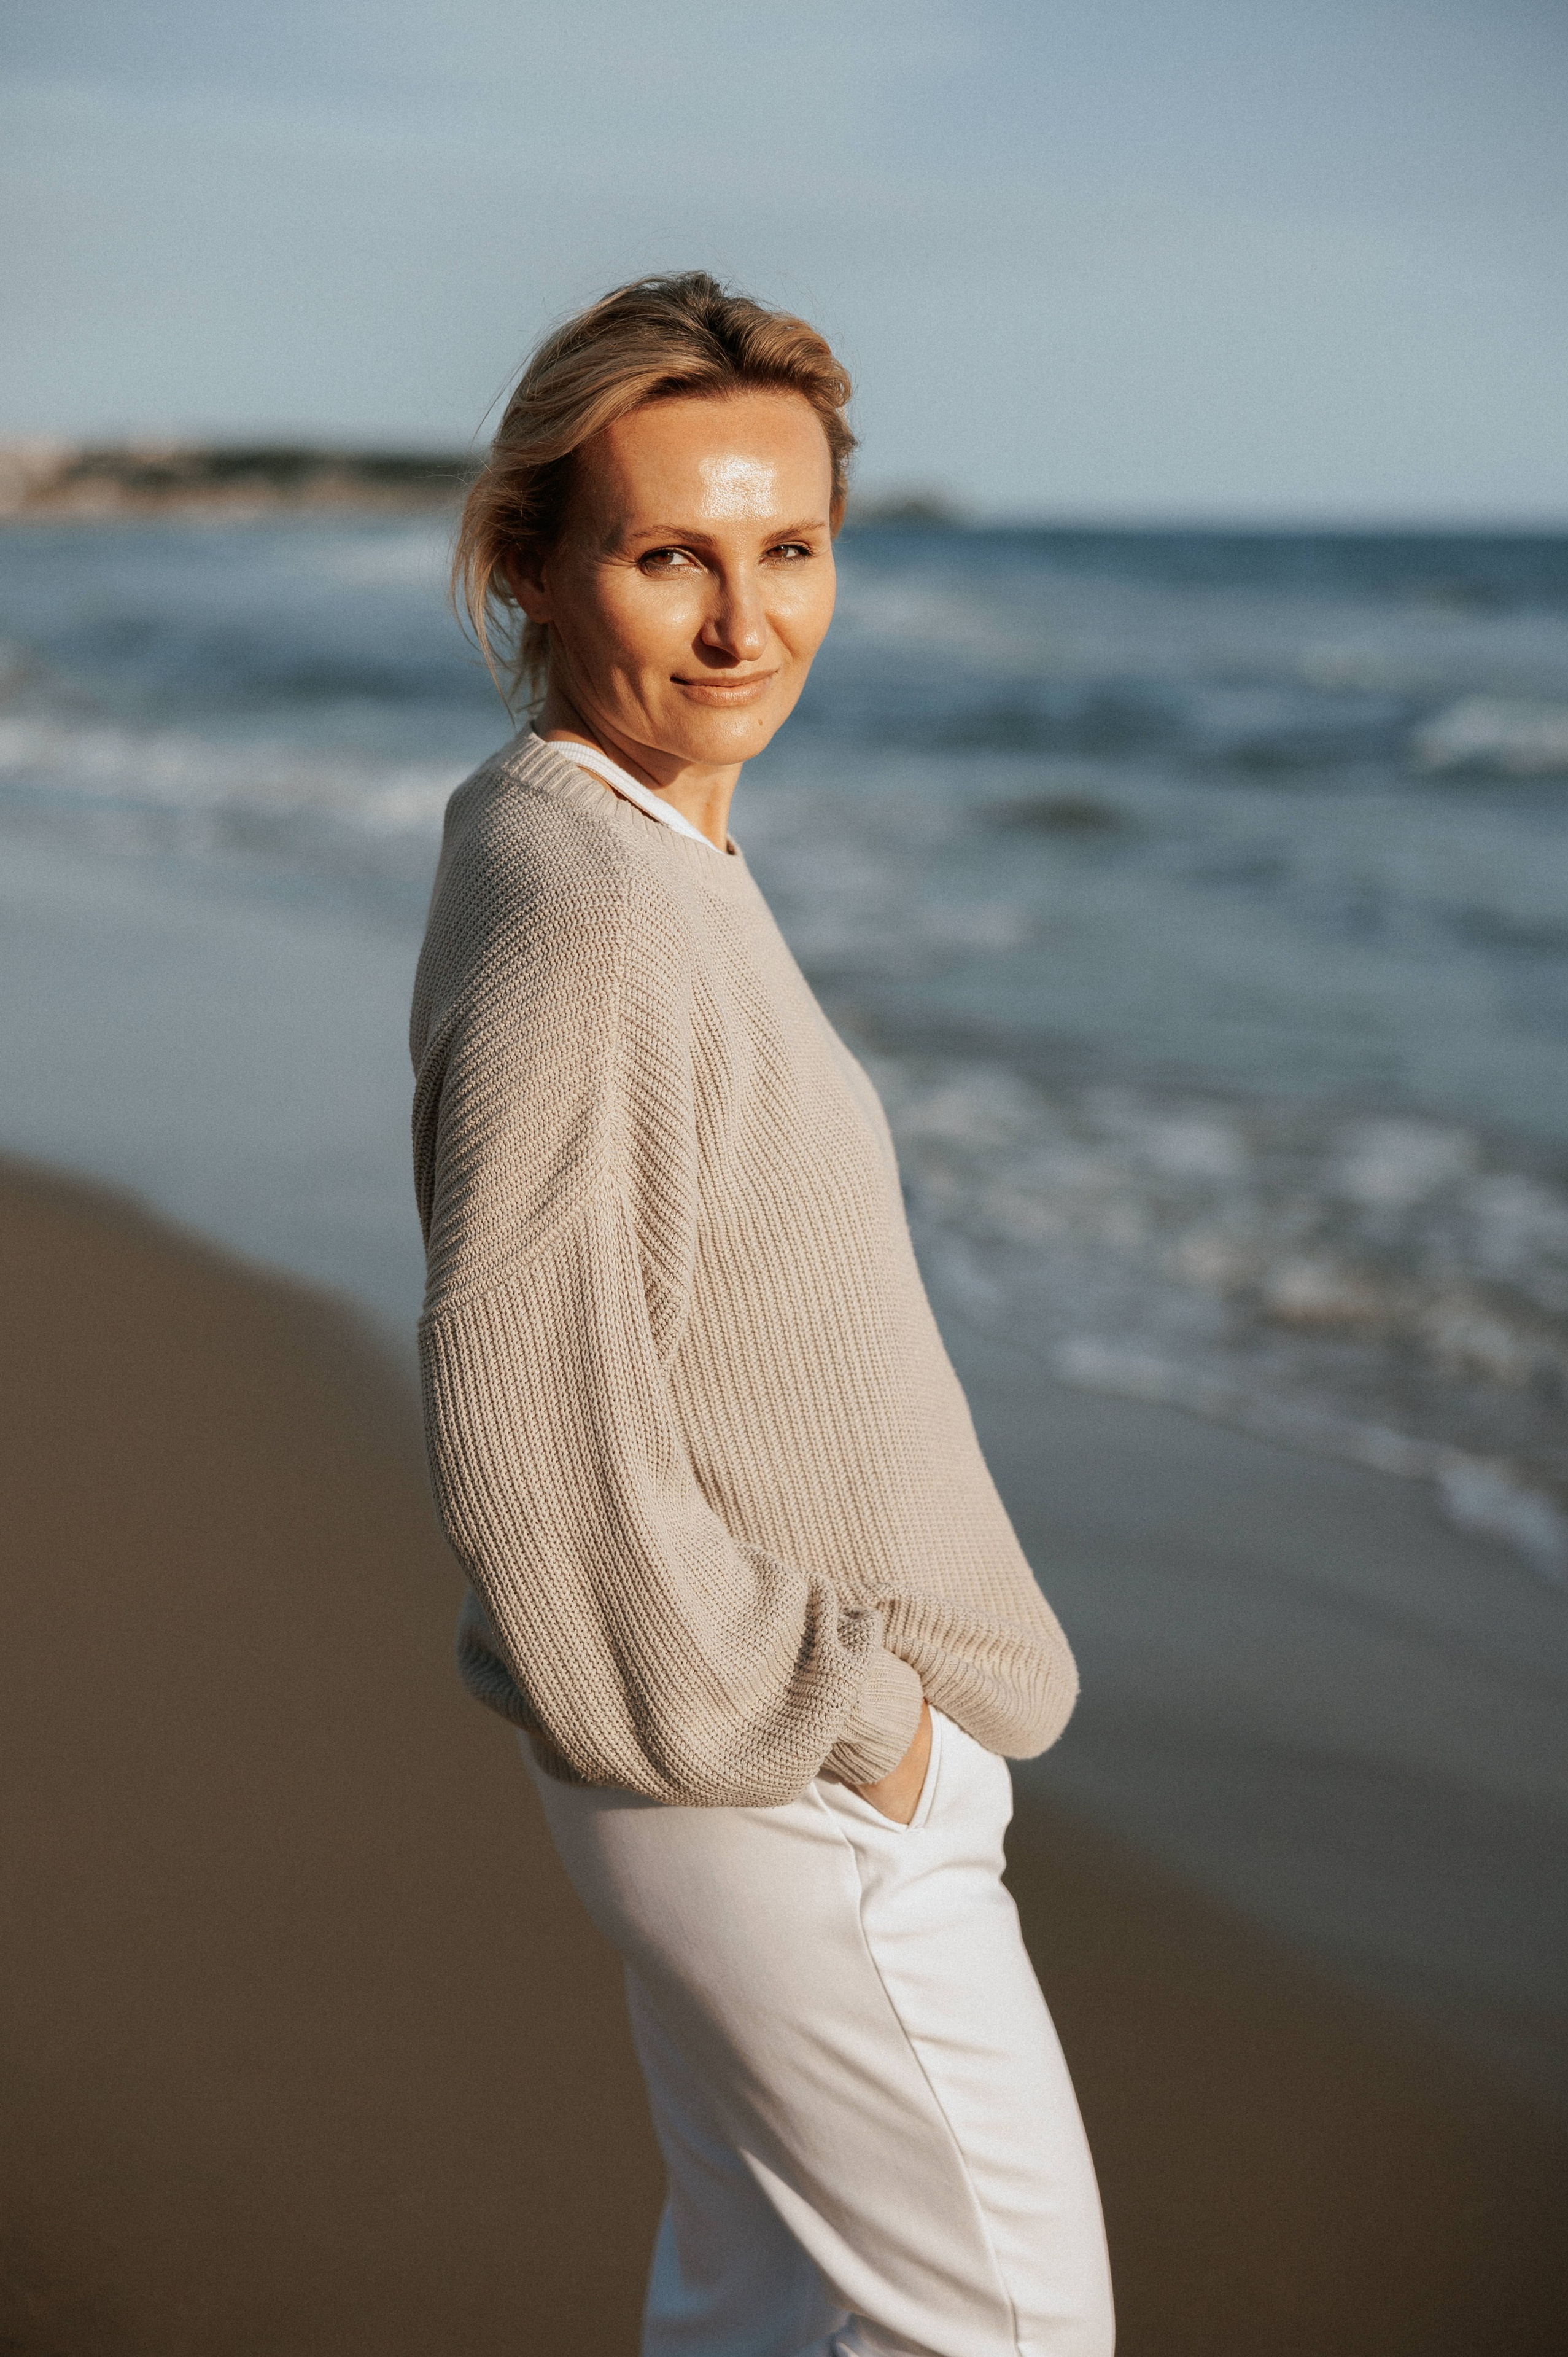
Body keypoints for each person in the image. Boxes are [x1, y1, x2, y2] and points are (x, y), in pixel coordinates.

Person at [411, 271, 1114, 2357]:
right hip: (779, 1788)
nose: (745, 626)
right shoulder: (594, 903)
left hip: (742, 1770)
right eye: (668, 559)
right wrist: (850, 1731)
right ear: (531, 567)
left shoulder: (624, 842)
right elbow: (525, 1421)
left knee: (764, 2324)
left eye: (789, 550)